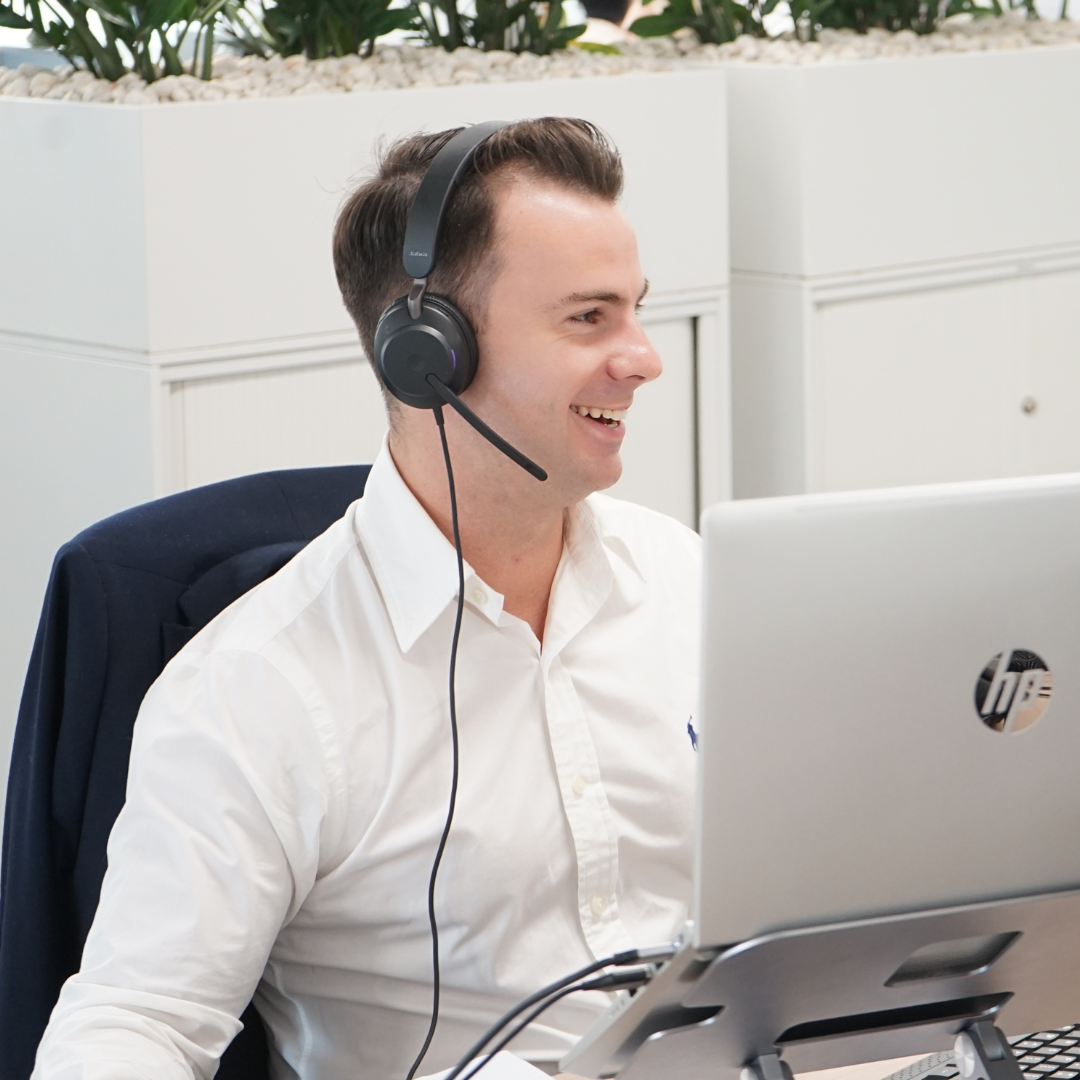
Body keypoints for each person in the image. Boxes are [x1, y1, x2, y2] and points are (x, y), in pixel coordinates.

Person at [32, 118, 700, 1080]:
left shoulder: (683, 580)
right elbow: (135, 1022)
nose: (644, 358)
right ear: (429, 355)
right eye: (589, 319)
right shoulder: (257, 687)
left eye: (635, 310)